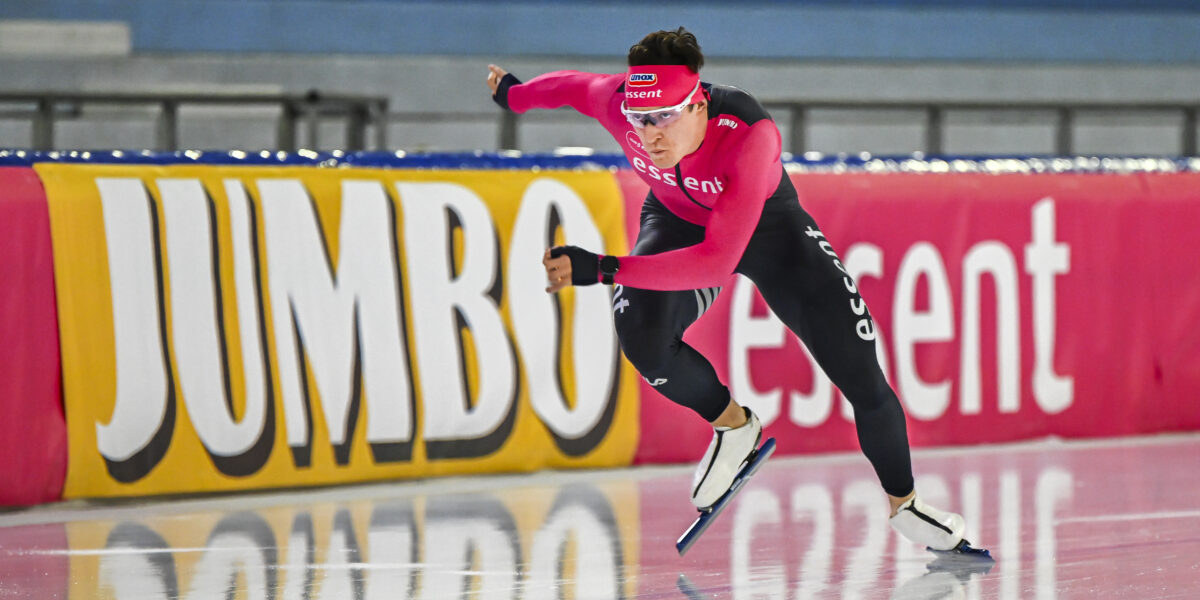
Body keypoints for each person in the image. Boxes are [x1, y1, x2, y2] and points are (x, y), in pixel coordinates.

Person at [486, 27, 970, 552]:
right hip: (676, 219)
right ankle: (733, 426)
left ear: (698, 104)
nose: (649, 135)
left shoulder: (749, 133)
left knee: (860, 372)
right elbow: (568, 87)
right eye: (639, 119)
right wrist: (513, 94)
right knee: (643, 338)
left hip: (771, 231)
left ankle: (906, 503)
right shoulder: (617, 101)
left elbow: (716, 262)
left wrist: (604, 267)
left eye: (664, 117)